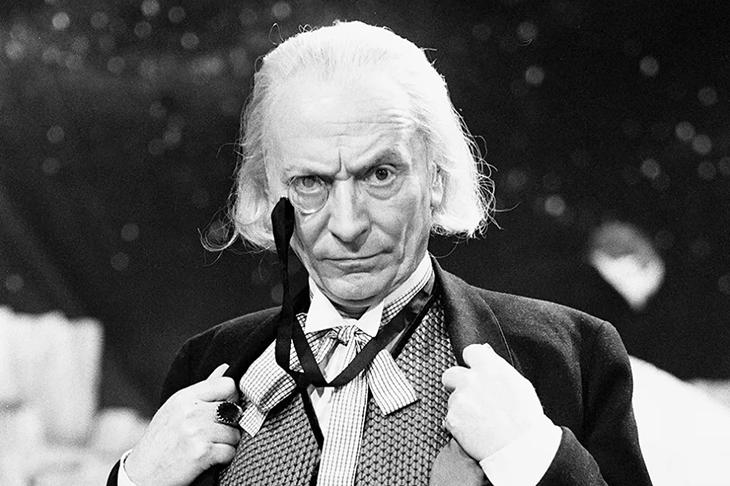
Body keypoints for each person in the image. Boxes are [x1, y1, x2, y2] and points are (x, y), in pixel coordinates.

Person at [107, 21, 652, 486]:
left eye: (380, 175)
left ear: (436, 176)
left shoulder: (568, 358)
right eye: (310, 183)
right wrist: (137, 480)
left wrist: (534, 457)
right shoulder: (206, 366)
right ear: (265, 192)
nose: (347, 226)